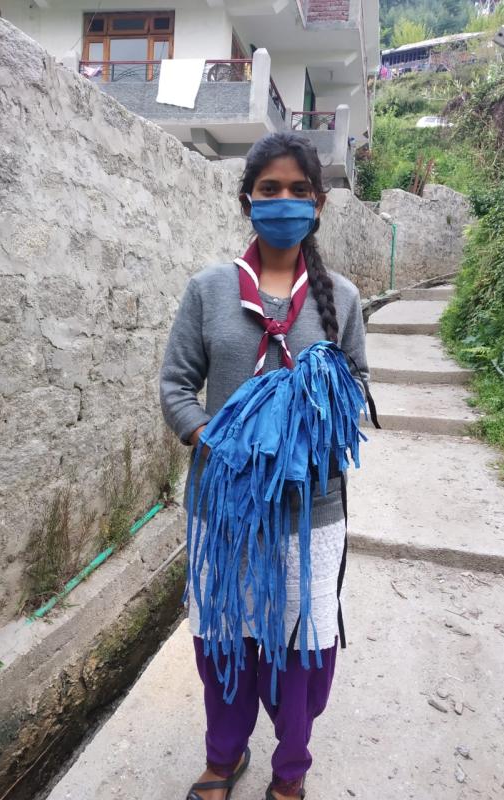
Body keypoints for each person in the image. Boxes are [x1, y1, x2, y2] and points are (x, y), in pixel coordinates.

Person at [160, 132, 370, 800]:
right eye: (269, 189)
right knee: (222, 635)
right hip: (223, 510)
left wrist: (312, 416)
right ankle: (223, 757)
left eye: (297, 190)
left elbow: (359, 393)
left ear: (320, 203)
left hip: (311, 514)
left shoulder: (343, 298)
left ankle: (291, 769)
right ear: (248, 199)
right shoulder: (210, 290)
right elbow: (175, 387)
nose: (283, 201)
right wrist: (214, 439)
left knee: (303, 648)